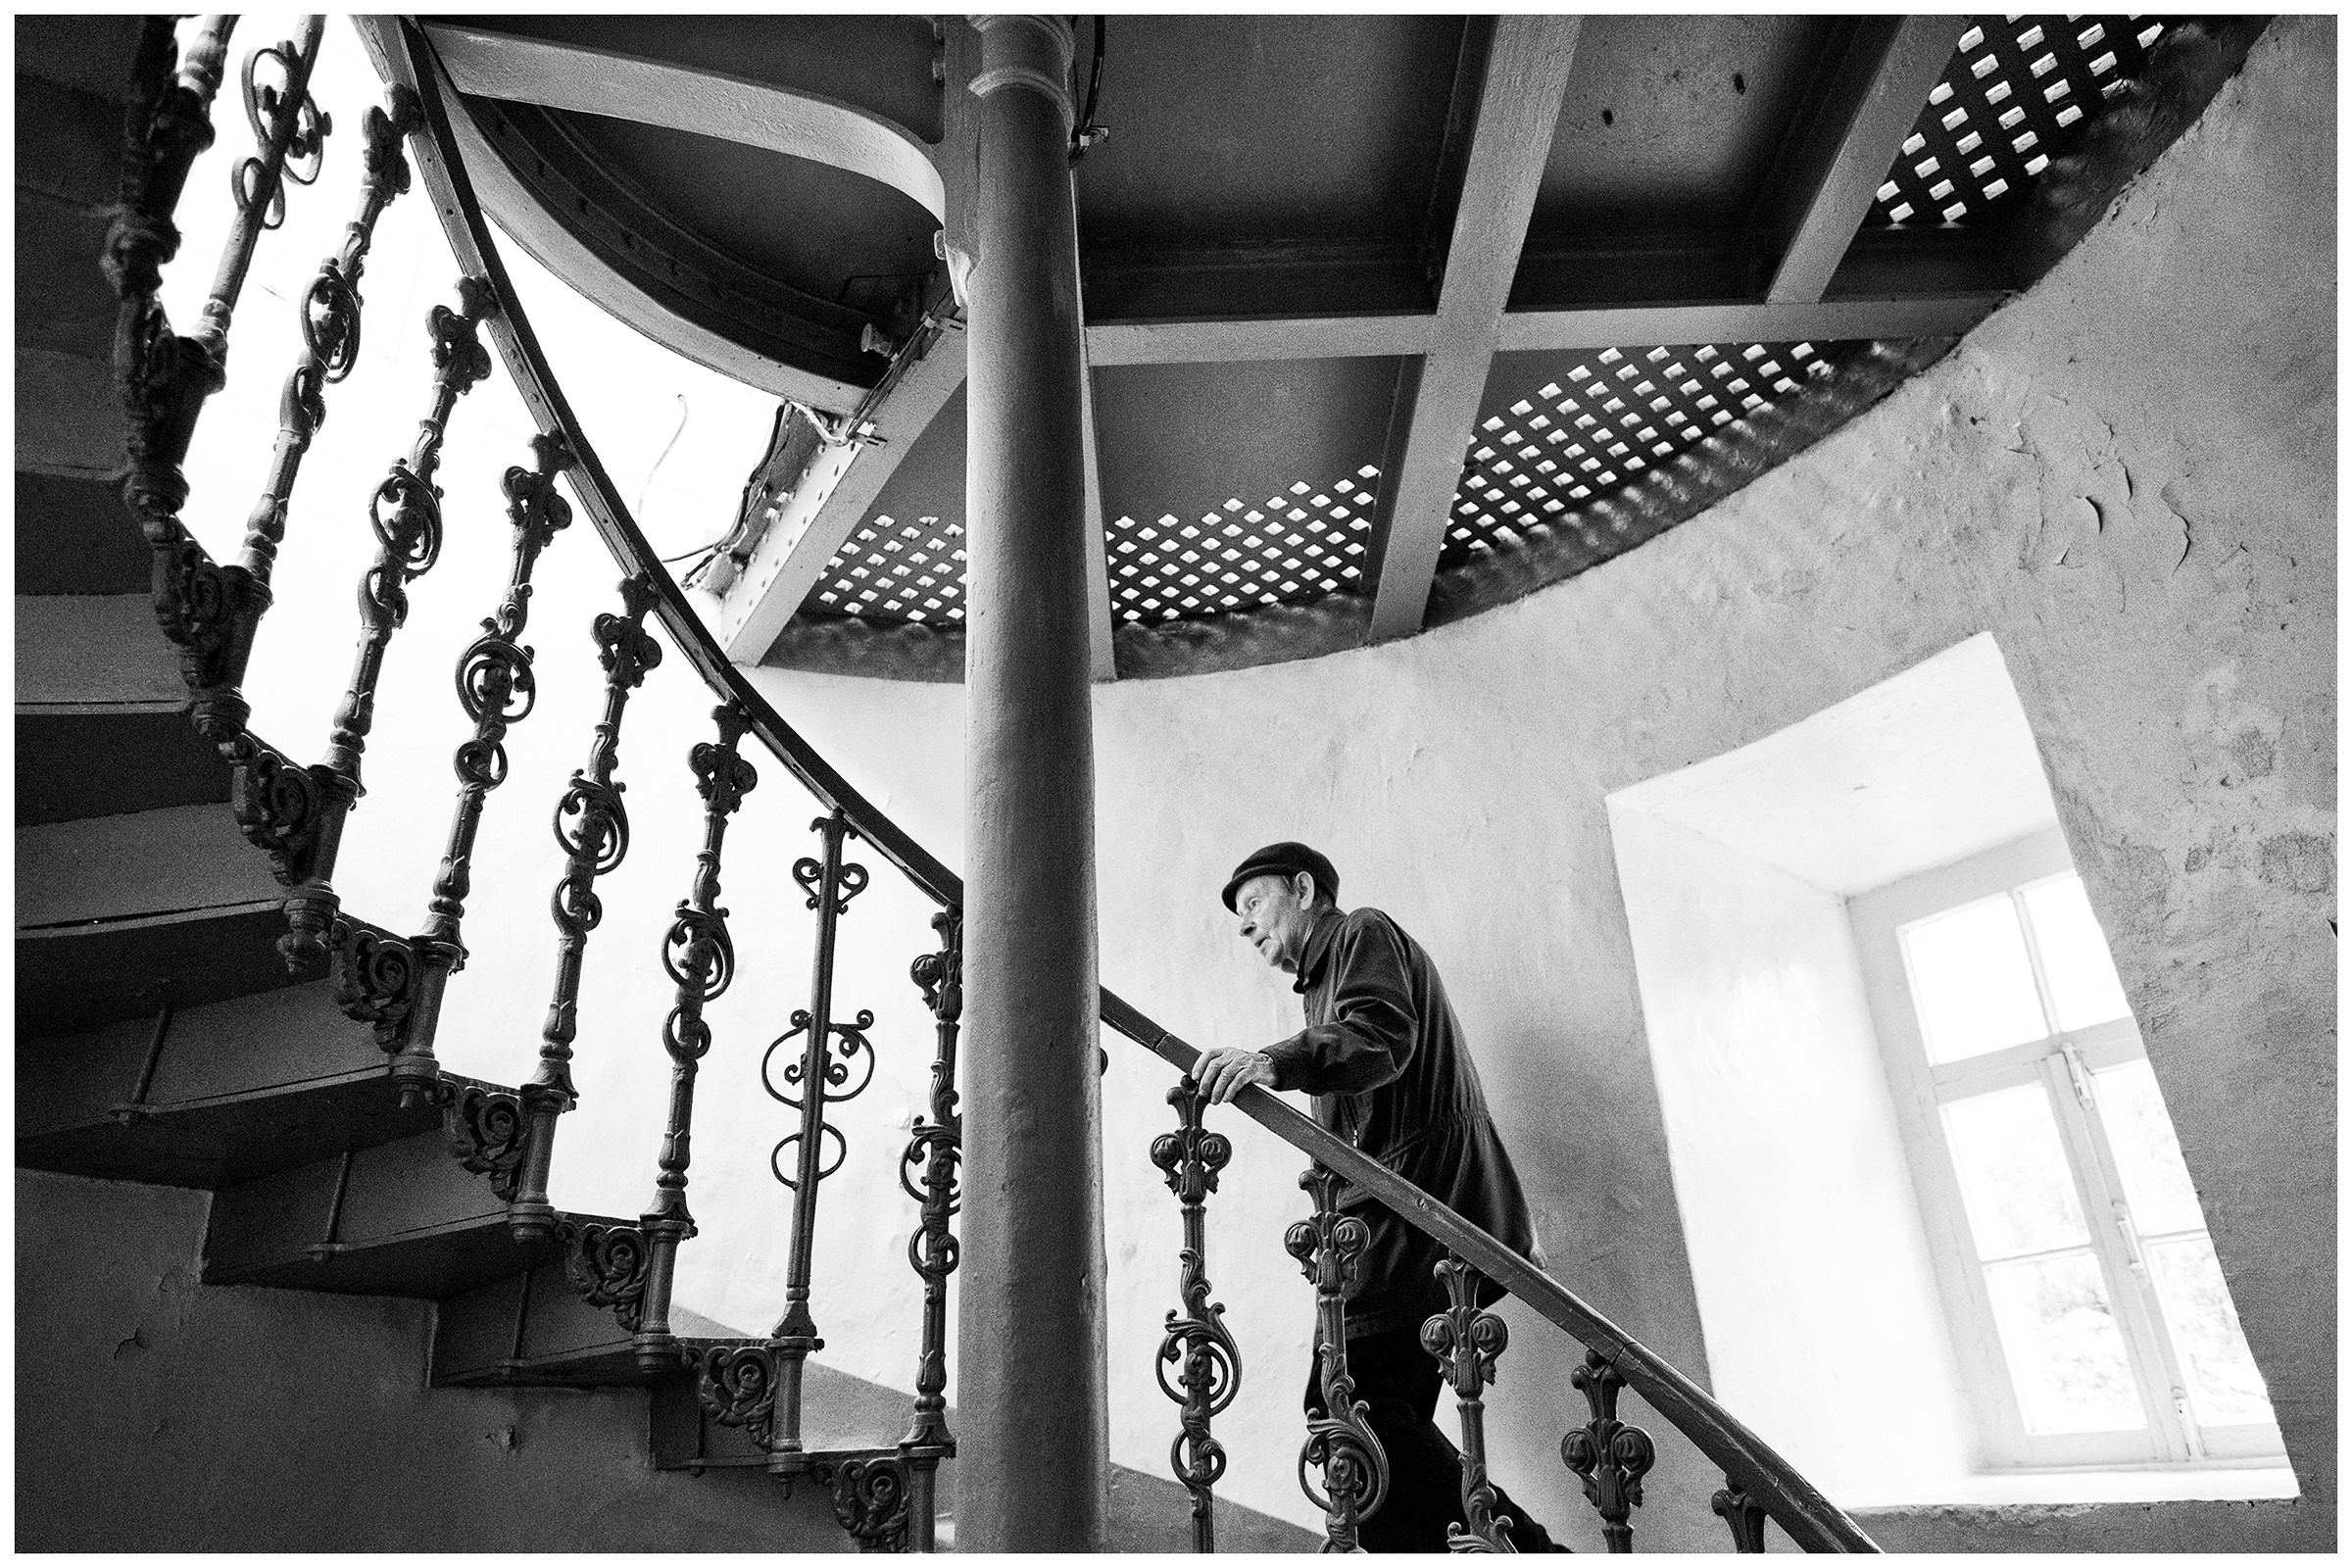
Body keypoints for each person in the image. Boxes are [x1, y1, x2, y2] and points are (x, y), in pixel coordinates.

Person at [1196, 842, 1565, 1553]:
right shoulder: (1322, 980)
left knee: (1350, 1423)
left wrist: (1273, 1060)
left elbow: (1379, 1037)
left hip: (1418, 1213)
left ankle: (1536, 1556)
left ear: (1303, 889)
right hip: (1398, 1222)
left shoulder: (1361, 932)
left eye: (1252, 904)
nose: (1245, 928)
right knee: (1371, 1429)